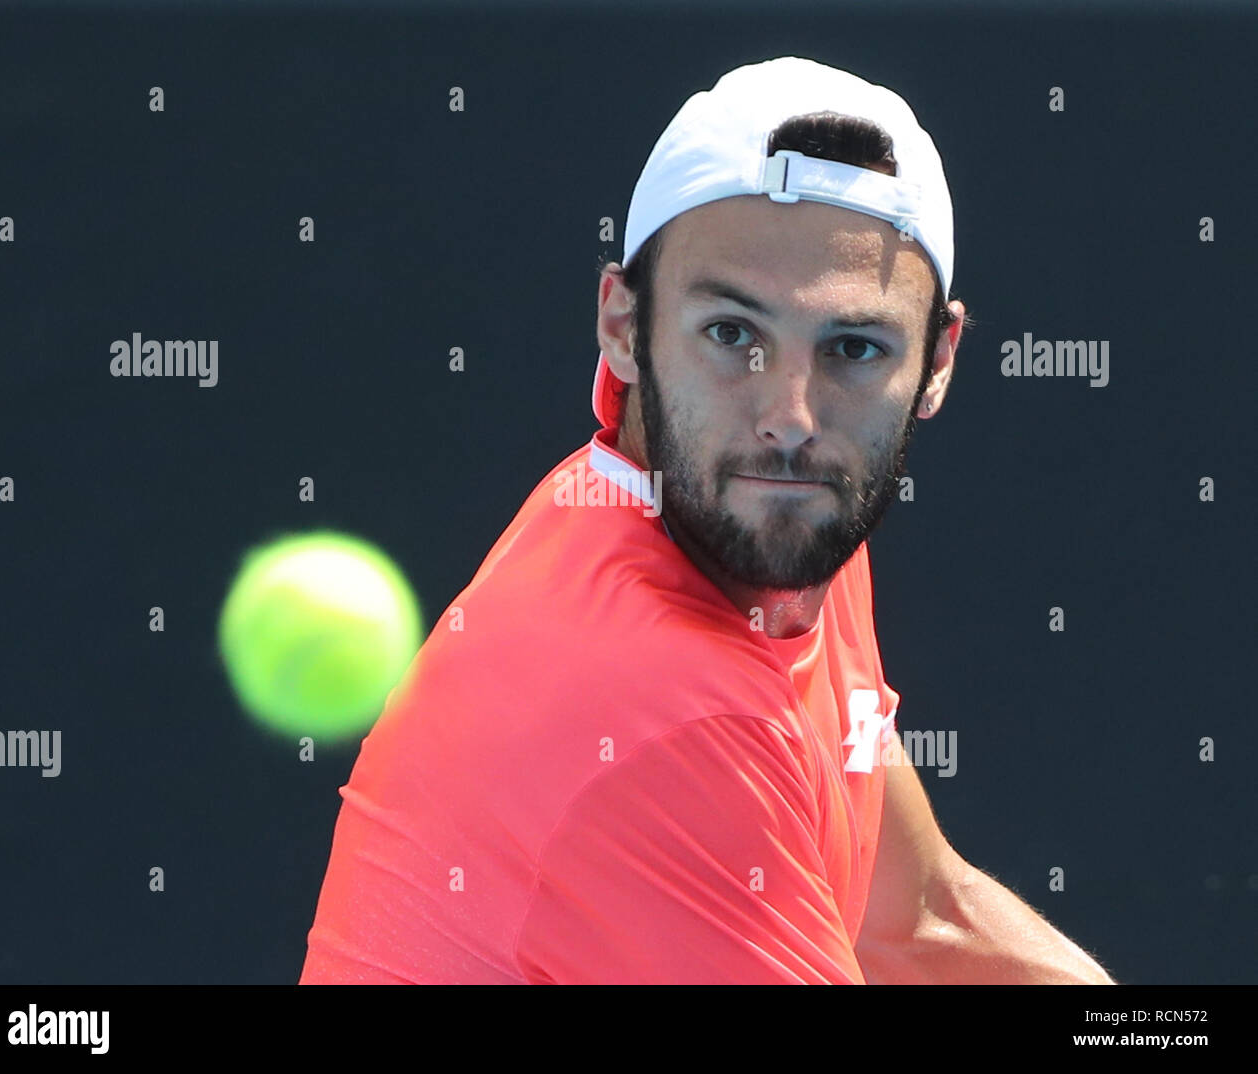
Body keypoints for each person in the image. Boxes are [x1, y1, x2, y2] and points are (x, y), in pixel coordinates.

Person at [299, 56, 1115, 985]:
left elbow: (919, 924)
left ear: (937, 362)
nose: (792, 417)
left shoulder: (776, 531)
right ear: (622, 323)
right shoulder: (657, 710)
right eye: (733, 334)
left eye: (853, 348)